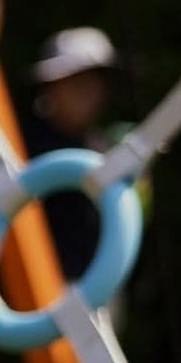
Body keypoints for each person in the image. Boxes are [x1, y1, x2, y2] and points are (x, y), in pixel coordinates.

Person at [25, 25, 121, 280]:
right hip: (33, 291)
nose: (87, 91)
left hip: (96, 286)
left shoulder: (103, 147)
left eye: (95, 81)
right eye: (75, 82)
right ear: (49, 88)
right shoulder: (21, 148)